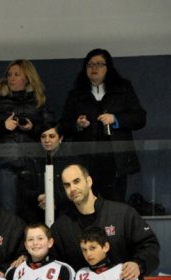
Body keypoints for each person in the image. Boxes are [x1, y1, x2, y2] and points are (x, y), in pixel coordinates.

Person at [60, 49, 146, 203]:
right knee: (87, 203)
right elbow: (63, 126)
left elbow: (139, 118)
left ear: (108, 68)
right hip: (86, 159)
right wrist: (77, 124)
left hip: (115, 160)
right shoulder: (76, 94)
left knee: (114, 205)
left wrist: (116, 119)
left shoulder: (123, 89)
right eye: (90, 65)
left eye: (99, 64)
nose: (94, 68)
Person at [0, 59, 53, 219]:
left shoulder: (39, 101)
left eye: (17, 74)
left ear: (27, 77)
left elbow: (52, 130)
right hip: (6, 165)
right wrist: (3, 127)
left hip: (34, 165)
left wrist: (32, 127)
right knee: (8, 213)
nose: (11, 78)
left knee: (35, 212)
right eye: (9, 74)